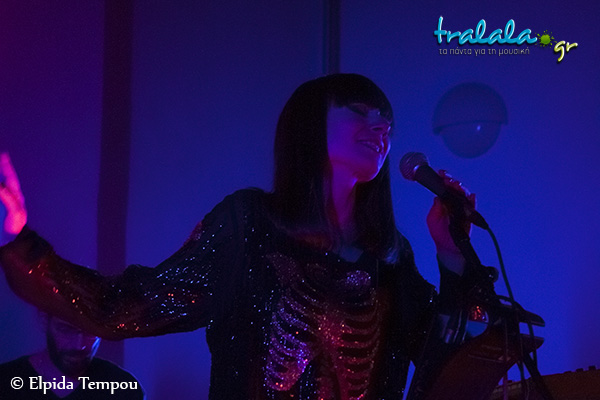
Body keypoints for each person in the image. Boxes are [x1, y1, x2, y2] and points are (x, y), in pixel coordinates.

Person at [0, 73, 475, 399]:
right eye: (361, 111)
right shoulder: (250, 224)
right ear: (309, 125)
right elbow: (132, 303)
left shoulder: (389, 256)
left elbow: (445, 362)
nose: (381, 127)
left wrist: (452, 256)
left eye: (386, 121)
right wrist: (18, 242)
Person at [0, 313, 145, 399]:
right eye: (66, 329)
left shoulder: (124, 389)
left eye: (90, 331)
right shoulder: (5, 382)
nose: (78, 345)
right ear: (44, 320)